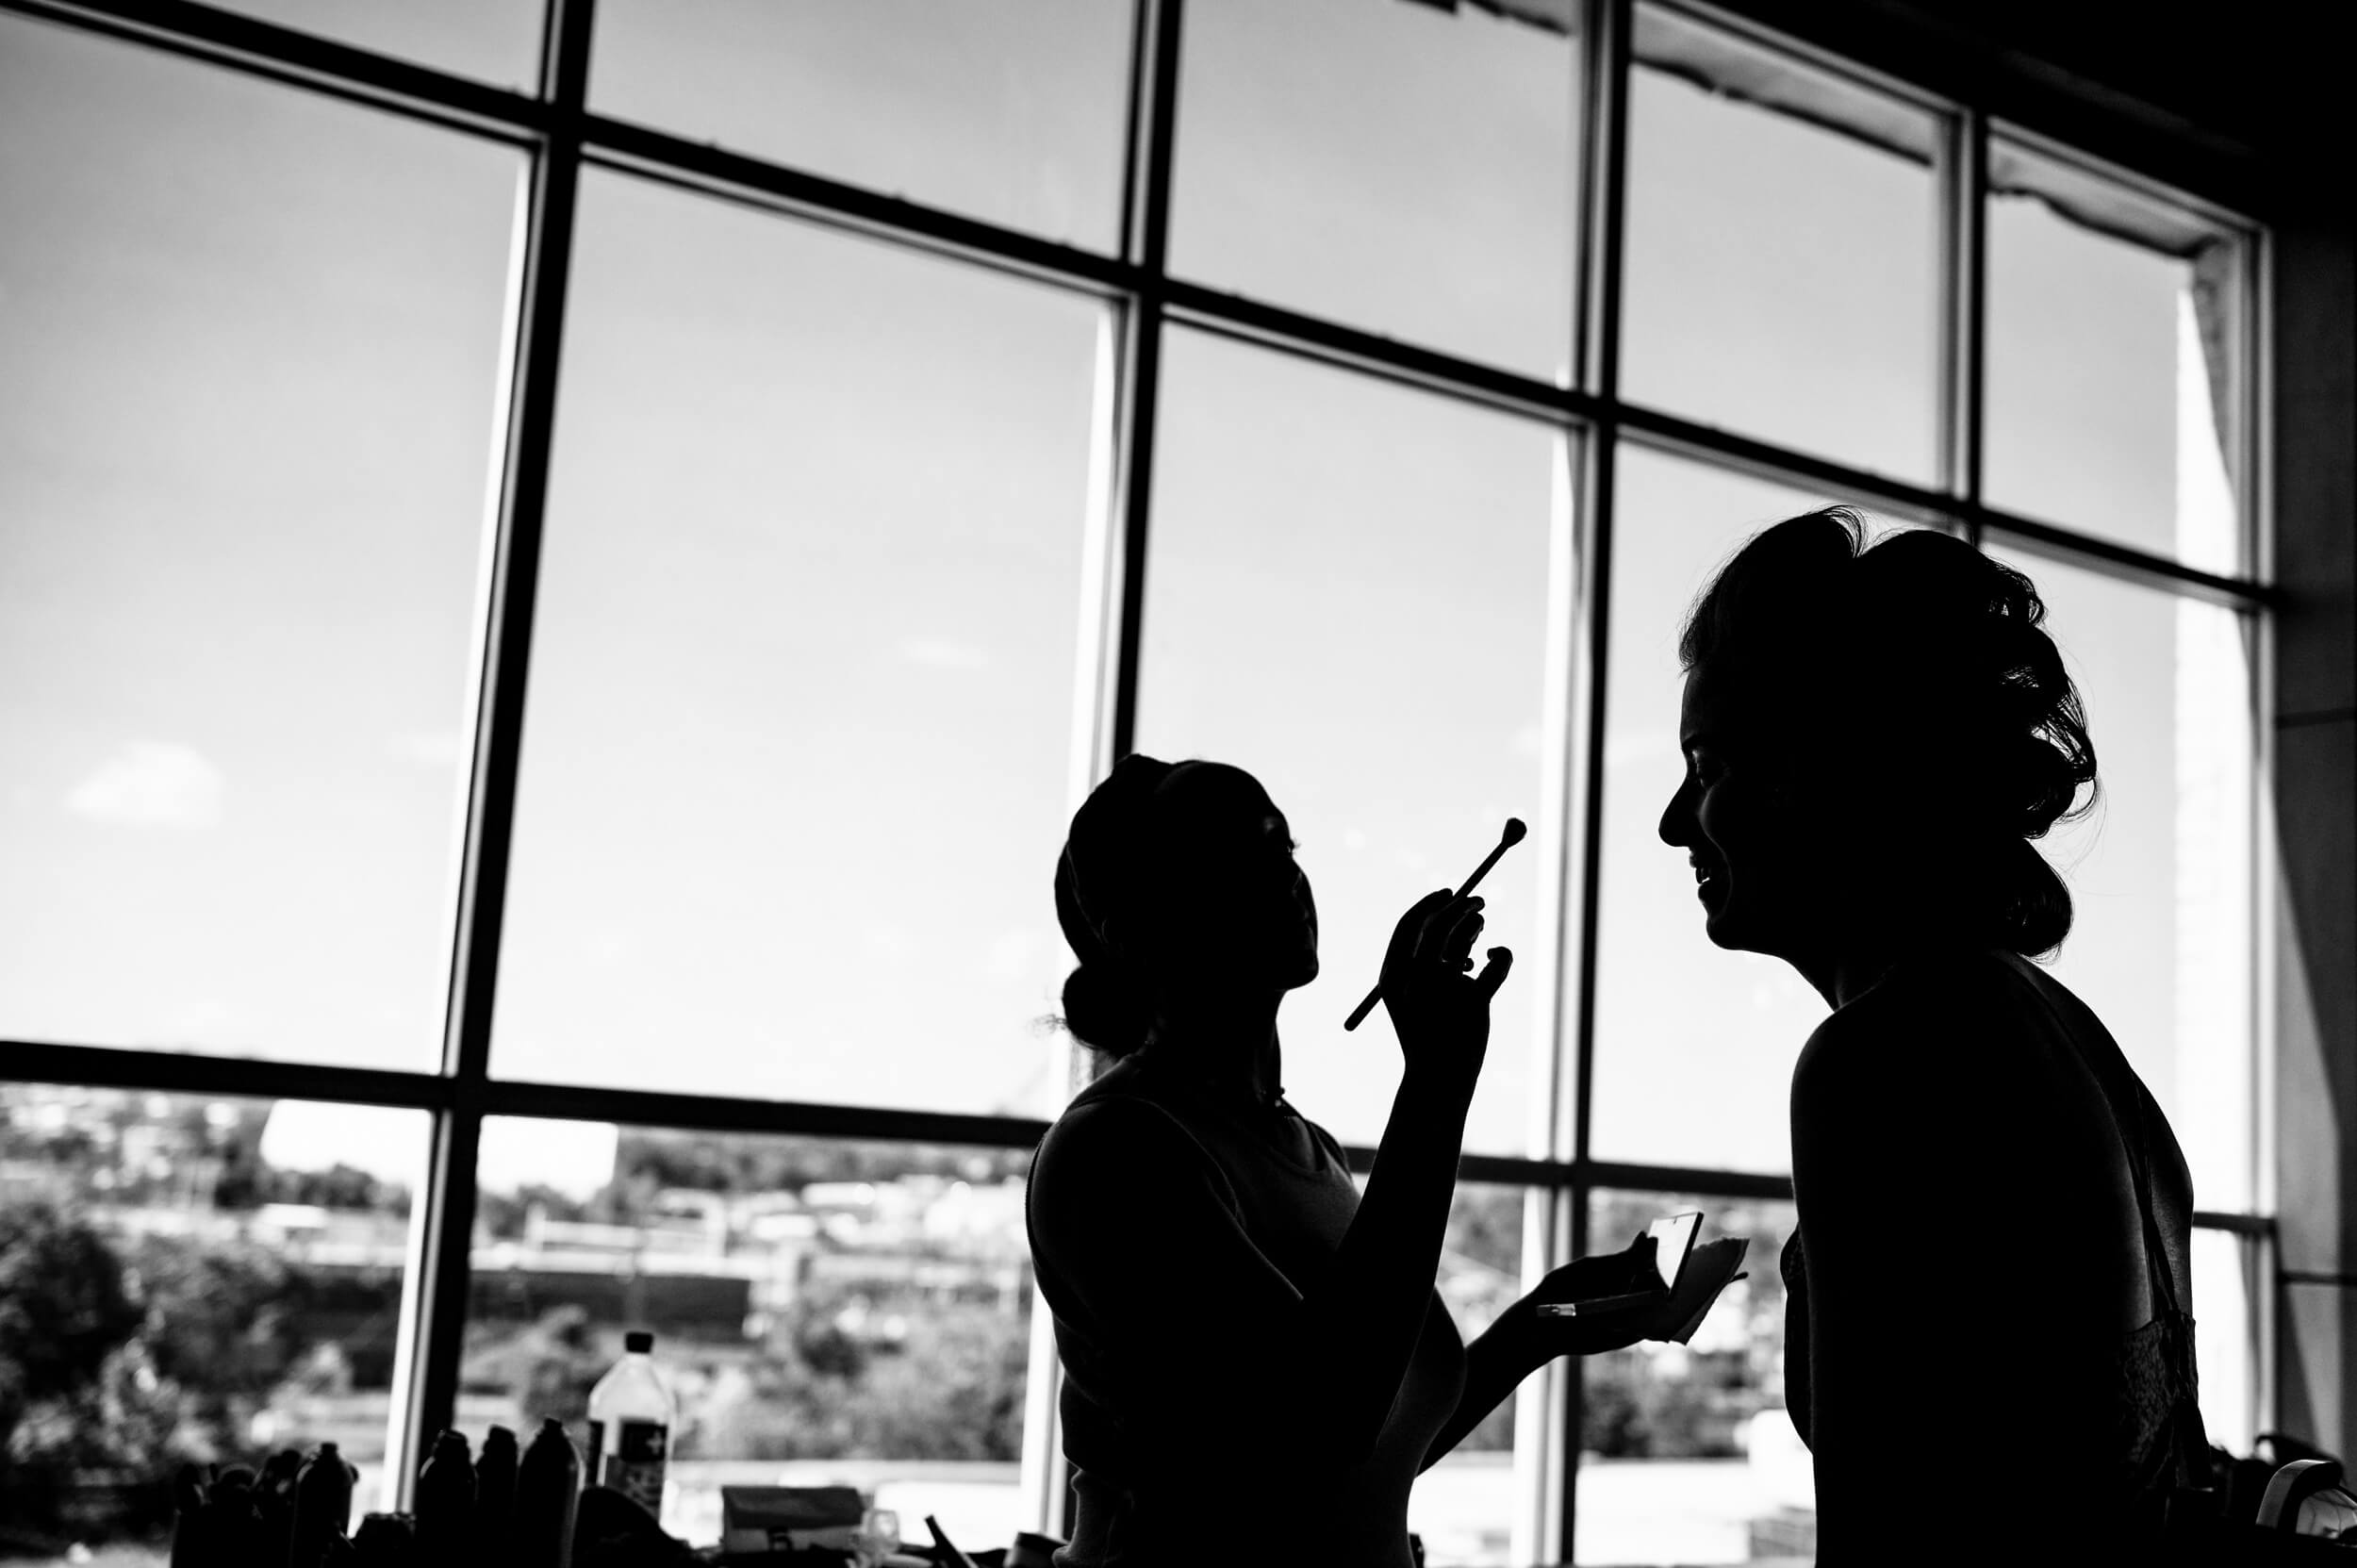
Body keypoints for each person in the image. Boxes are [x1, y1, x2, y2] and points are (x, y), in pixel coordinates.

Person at [1026, 756, 1745, 1568]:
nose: (1284, 877)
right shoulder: (1116, 1151)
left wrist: (1548, 1318)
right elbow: (1322, 1423)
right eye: (1235, 856)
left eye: (1283, 847)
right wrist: (1436, 1085)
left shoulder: (1307, 1149)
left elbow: (1378, 1448)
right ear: (1140, 927)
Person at [1656, 509, 2210, 1562]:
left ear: (1826, 769)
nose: (1675, 822)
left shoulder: (1886, 1057)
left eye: (1708, 764)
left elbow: (1888, 1529)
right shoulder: (2073, 1043)